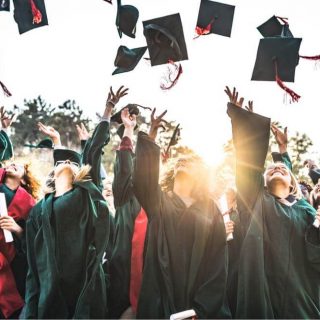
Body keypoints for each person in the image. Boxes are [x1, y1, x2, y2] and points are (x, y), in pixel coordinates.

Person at [23, 86, 126, 318]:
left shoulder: (85, 196)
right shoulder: (39, 211)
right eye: (61, 162)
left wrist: (108, 112)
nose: (67, 163)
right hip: (51, 294)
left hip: (85, 290)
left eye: (72, 162)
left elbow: (93, 152)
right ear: (54, 171)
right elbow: (32, 267)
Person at [225, 86, 320, 319]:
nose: (276, 168)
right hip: (263, 298)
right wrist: (243, 123)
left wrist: (318, 228)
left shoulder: (305, 210)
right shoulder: (256, 201)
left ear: (293, 183)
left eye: (283, 169)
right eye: (270, 169)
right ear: (263, 182)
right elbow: (248, 165)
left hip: (302, 300)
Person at [132, 108, 228, 319]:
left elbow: (218, 260)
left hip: (198, 301)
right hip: (160, 295)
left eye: (190, 162)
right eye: (180, 161)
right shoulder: (158, 201)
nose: (183, 162)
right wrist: (151, 135)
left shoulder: (210, 209)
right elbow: (142, 179)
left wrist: (202, 309)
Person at [0, 107, 40, 319]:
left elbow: (35, 238)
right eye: (11, 163)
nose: (12, 164)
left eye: (19, 167)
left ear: (24, 180)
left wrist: (15, 227)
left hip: (13, 260)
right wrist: (4, 130)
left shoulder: (30, 204)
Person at [108, 108, 148, 319]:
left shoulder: (157, 202)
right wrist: (129, 130)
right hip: (124, 279)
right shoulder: (125, 198)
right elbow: (124, 166)